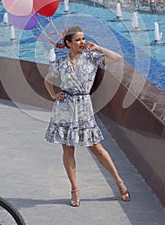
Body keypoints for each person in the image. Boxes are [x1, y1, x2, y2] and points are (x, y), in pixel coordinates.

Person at [44, 25, 130, 207]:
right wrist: (53, 95)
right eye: (78, 40)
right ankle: (74, 189)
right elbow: (47, 80)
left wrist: (98, 47)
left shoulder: (92, 58)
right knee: (68, 150)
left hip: (84, 108)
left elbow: (117, 58)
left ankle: (118, 181)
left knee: (97, 148)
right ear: (68, 43)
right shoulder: (60, 63)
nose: (82, 42)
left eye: (83, 39)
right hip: (65, 109)